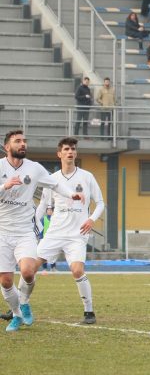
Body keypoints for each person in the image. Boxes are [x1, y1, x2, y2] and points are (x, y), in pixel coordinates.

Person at [0, 130, 85, 332]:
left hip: (24, 231)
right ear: (7, 147)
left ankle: (25, 303)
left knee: (28, 272)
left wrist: (72, 194)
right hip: (2, 231)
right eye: (17, 141)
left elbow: (56, 184)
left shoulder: (35, 168)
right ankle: (17, 315)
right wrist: (5, 186)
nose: (23, 144)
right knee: (5, 280)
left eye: (24, 141)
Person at [34, 137, 104, 325]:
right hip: (55, 232)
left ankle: (89, 312)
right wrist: (33, 222)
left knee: (77, 270)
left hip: (77, 235)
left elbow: (100, 203)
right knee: (29, 268)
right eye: (66, 149)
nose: (70, 152)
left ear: (76, 153)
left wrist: (91, 219)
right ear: (59, 154)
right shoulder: (52, 180)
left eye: (73, 149)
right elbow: (43, 204)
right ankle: (16, 308)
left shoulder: (87, 176)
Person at [39, 206, 57, 272]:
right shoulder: (43, 219)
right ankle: (44, 268)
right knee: (44, 254)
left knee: (53, 254)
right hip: (44, 239)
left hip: (53, 239)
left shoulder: (55, 219)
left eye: (50, 210)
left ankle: (53, 268)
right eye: (48, 210)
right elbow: (41, 228)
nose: (49, 211)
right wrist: (40, 237)